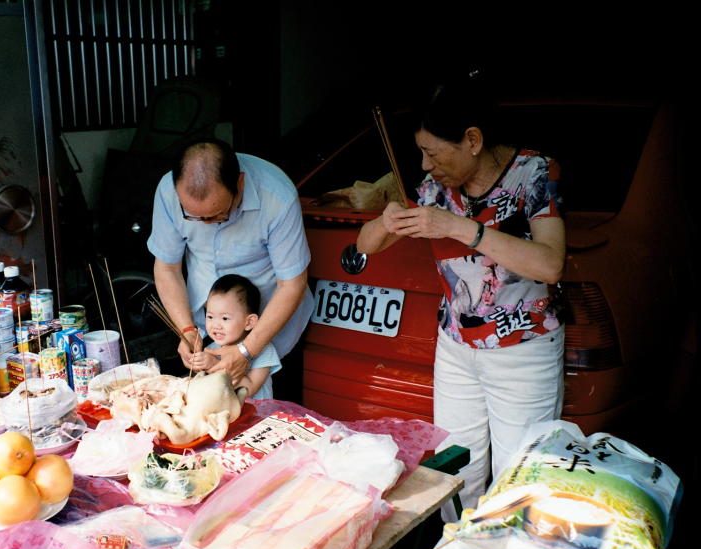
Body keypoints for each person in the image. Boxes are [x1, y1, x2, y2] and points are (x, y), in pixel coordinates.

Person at [356, 75, 566, 518]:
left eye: (432, 151)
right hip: (455, 347)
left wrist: (457, 227)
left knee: (519, 478)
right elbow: (366, 245)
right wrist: (387, 220)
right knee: (455, 469)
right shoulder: (434, 189)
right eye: (420, 152)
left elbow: (549, 264)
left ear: (472, 140)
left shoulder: (534, 173)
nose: (425, 164)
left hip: (522, 351)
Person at [147, 138, 314, 388]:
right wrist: (187, 329)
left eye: (217, 214)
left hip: (270, 326)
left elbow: (292, 284)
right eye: (194, 216)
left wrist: (247, 351)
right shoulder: (168, 192)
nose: (206, 223)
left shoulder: (277, 197)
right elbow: (167, 268)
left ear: (240, 184)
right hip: (207, 327)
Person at [189, 274, 281, 399]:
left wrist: (214, 365)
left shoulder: (264, 350)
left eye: (225, 318)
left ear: (249, 322)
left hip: (258, 414)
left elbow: (250, 389)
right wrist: (198, 368)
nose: (216, 325)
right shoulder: (212, 348)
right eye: (210, 317)